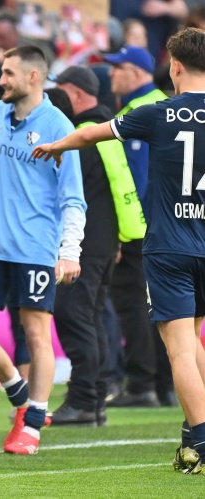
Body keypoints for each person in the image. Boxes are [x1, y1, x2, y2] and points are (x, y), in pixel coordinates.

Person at [32, 25, 205, 475]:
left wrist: (55, 145)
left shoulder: (157, 113)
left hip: (169, 248)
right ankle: (193, 436)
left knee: (180, 349)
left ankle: (203, 443)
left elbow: (90, 134)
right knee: (195, 343)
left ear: (175, 67)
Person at [0, 45, 86, 456]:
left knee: (35, 334)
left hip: (35, 249)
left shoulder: (59, 126)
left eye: (9, 73)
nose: (1, 80)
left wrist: (70, 250)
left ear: (33, 76)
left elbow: (73, 197)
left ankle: (32, 424)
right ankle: (18, 391)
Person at [50, 66, 145, 427]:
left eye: (60, 91)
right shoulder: (107, 126)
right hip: (106, 239)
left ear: (75, 94)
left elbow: (77, 193)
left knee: (75, 315)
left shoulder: (83, 135)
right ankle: (95, 399)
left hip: (86, 243)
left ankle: (84, 400)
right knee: (90, 318)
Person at [104, 44, 173, 408]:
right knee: (168, 308)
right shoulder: (168, 104)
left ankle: (141, 384)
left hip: (142, 229)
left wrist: (131, 230)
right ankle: (166, 385)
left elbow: (138, 179)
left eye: (117, 67)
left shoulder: (138, 112)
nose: (112, 74)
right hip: (176, 226)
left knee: (134, 304)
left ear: (135, 72)